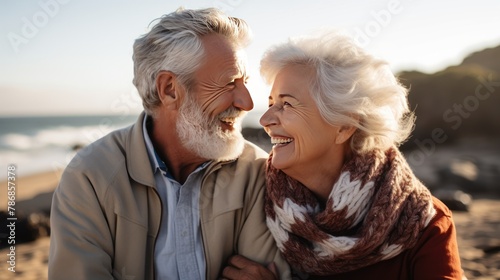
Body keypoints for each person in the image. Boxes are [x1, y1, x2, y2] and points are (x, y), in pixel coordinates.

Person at [48, 7, 289, 280]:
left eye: (244, 83)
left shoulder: (256, 172)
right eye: (228, 84)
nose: (246, 102)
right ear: (170, 89)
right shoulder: (89, 177)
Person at [254, 31, 463, 279]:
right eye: (270, 104)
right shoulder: (254, 203)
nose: (264, 120)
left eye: (286, 104)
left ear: (343, 126)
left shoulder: (423, 223)